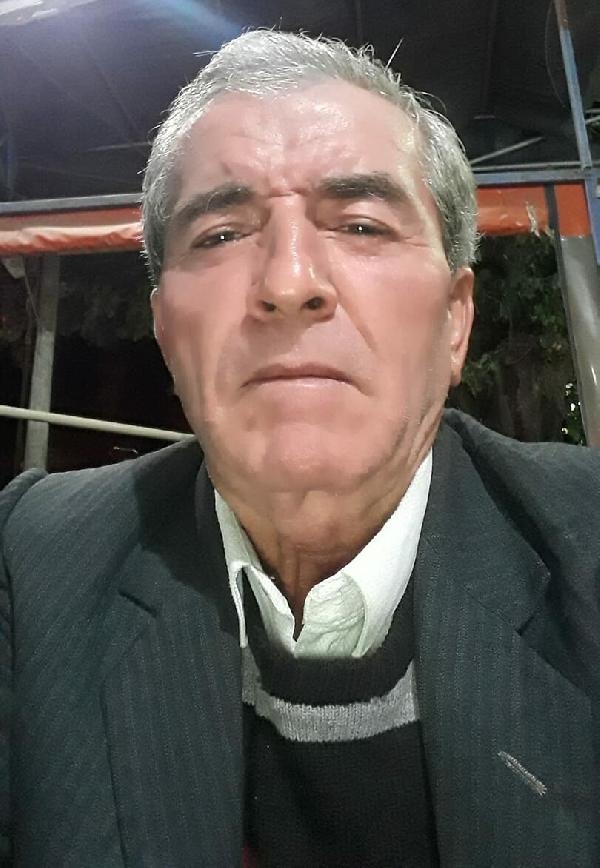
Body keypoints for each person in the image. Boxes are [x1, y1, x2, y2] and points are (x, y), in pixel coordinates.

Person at [1, 29, 598, 868]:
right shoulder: (32, 563)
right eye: (220, 234)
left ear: (454, 322)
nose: (287, 283)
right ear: (167, 331)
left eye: (360, 223)